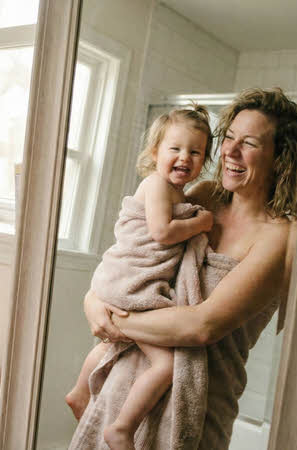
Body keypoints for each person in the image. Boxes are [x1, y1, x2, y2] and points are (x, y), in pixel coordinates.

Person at [70, 87, 297, 450]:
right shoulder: (204, 196)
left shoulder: (280, 238)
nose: (229, 151)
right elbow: (135, 261)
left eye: (249, 143)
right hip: (130, 391)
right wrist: (93, 300)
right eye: (228, 137)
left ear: (280, 159)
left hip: (198, 406)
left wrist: (115, 321)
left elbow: (202, 326)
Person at [64, 105, 214, 448]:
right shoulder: (157, 184)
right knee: (165, 364)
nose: (184, 158)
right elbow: (162, 232)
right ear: (155, 152)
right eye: (175, 149)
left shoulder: (178, 193)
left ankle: (78, 391)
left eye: (195, 152)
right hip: (131, 283)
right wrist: (201, 223)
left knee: (114, 341)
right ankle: (122, 428)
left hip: (123, 279)